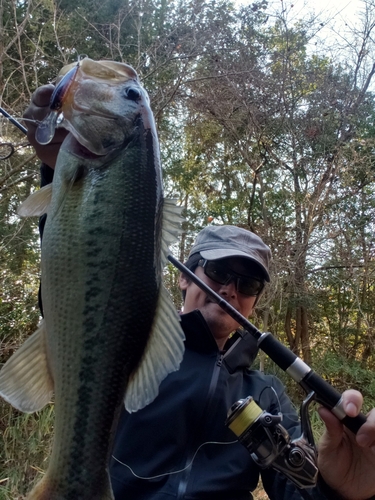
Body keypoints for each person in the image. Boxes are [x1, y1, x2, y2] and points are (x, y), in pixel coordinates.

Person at [24, 86, 375, 500]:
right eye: (219, 270)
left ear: (256, 301)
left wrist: (346, 489)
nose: (230, 288)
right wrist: (60, 173)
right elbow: (81, 288)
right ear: (184, 277)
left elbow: (297, 491)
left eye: (249, 284)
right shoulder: (131, 347)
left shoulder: (264, 394)